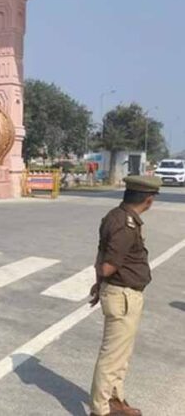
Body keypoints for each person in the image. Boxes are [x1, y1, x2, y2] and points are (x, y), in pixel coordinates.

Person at [88, 175, 161, 416]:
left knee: (121, 355)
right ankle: (101, 409)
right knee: (112, 357)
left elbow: (101, 253)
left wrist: (99, 284)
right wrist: (103, 279)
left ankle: (115, 399)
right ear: (148, 200)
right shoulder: (125, 225)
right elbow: (108, 264)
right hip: (123, 296)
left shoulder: (115, 216)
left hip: (121, 293)